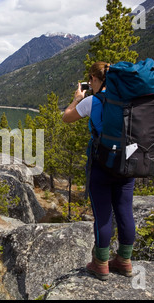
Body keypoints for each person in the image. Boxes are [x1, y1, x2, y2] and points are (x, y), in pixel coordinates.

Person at [62, 61, 135, 281]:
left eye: (90, 79)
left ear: (94, 79)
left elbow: (66, 117)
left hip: (101, 165)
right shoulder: (128, 99)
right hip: (127, 164)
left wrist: (77, 98)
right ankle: (124, 261)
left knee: (103, 215)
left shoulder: (92, 101)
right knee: (124, 211)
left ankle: (101, 263)